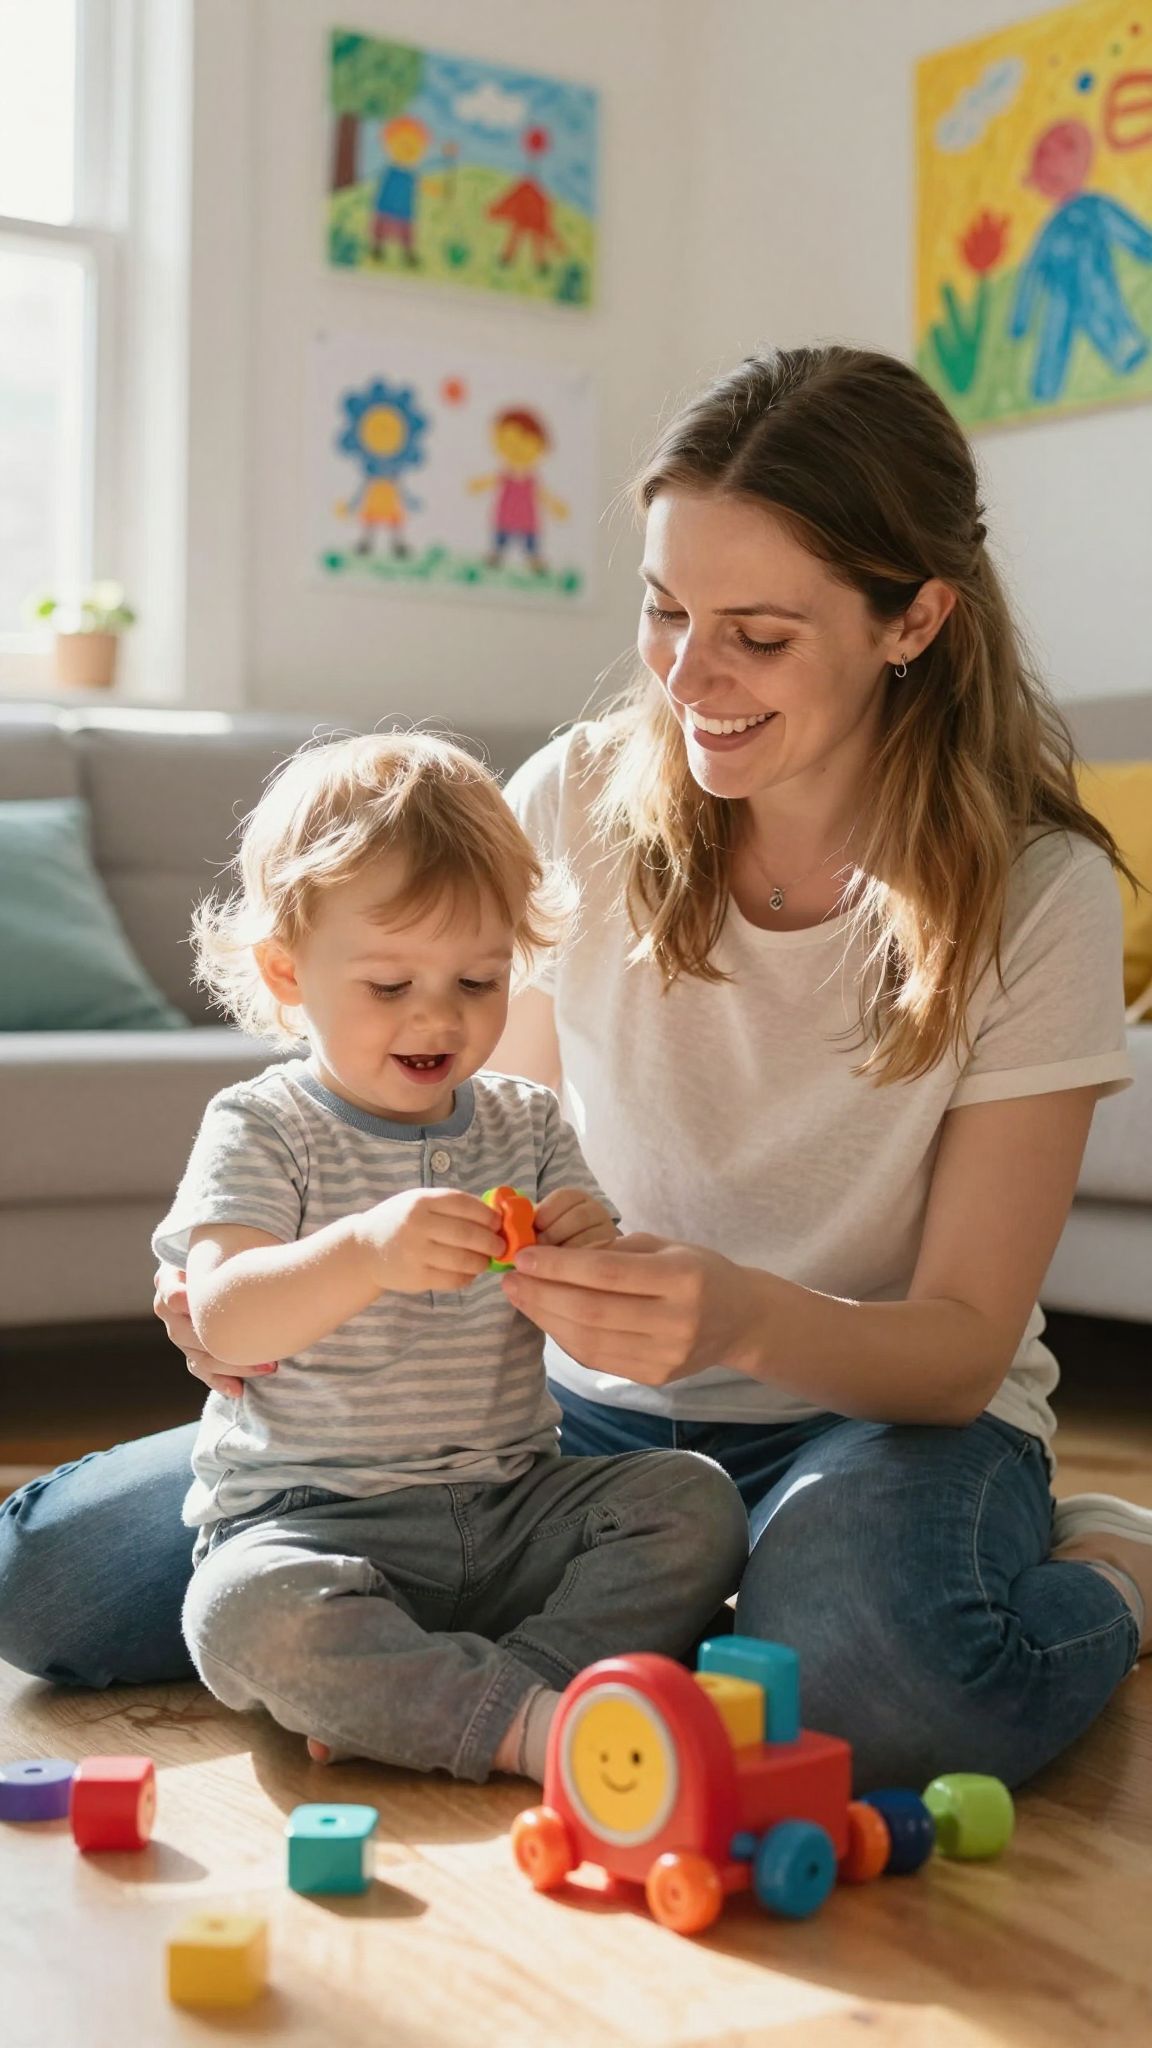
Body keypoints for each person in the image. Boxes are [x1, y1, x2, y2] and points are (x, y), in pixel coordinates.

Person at [3, 345, 1148, 1791]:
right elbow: (476, 1131)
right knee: (49, 1583)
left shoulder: (1037, 892)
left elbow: (964, 1343)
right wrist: (278, 1288)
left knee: (883, 1688)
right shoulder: (575, 800)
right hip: (549, 1434)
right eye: (666, 609)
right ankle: (622, 1652)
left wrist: (739, 1317)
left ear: (912, 618)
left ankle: (1113, 1569)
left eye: (758, 635)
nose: (689, 676)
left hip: (876, 1421)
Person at [92, 732, 749, 1782]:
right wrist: (362, 1252)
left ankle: (479, 1694)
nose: (439, 1015)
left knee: (696, 1501)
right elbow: (223, 1318)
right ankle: (526, 1725)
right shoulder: (264, 1125)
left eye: (479, 979)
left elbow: (596, 1336)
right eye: (391, 983)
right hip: (314, 1524)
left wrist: (588, 1261)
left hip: (511, 1504)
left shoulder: (527, 1122)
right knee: (241, 1615)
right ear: (287, 971)